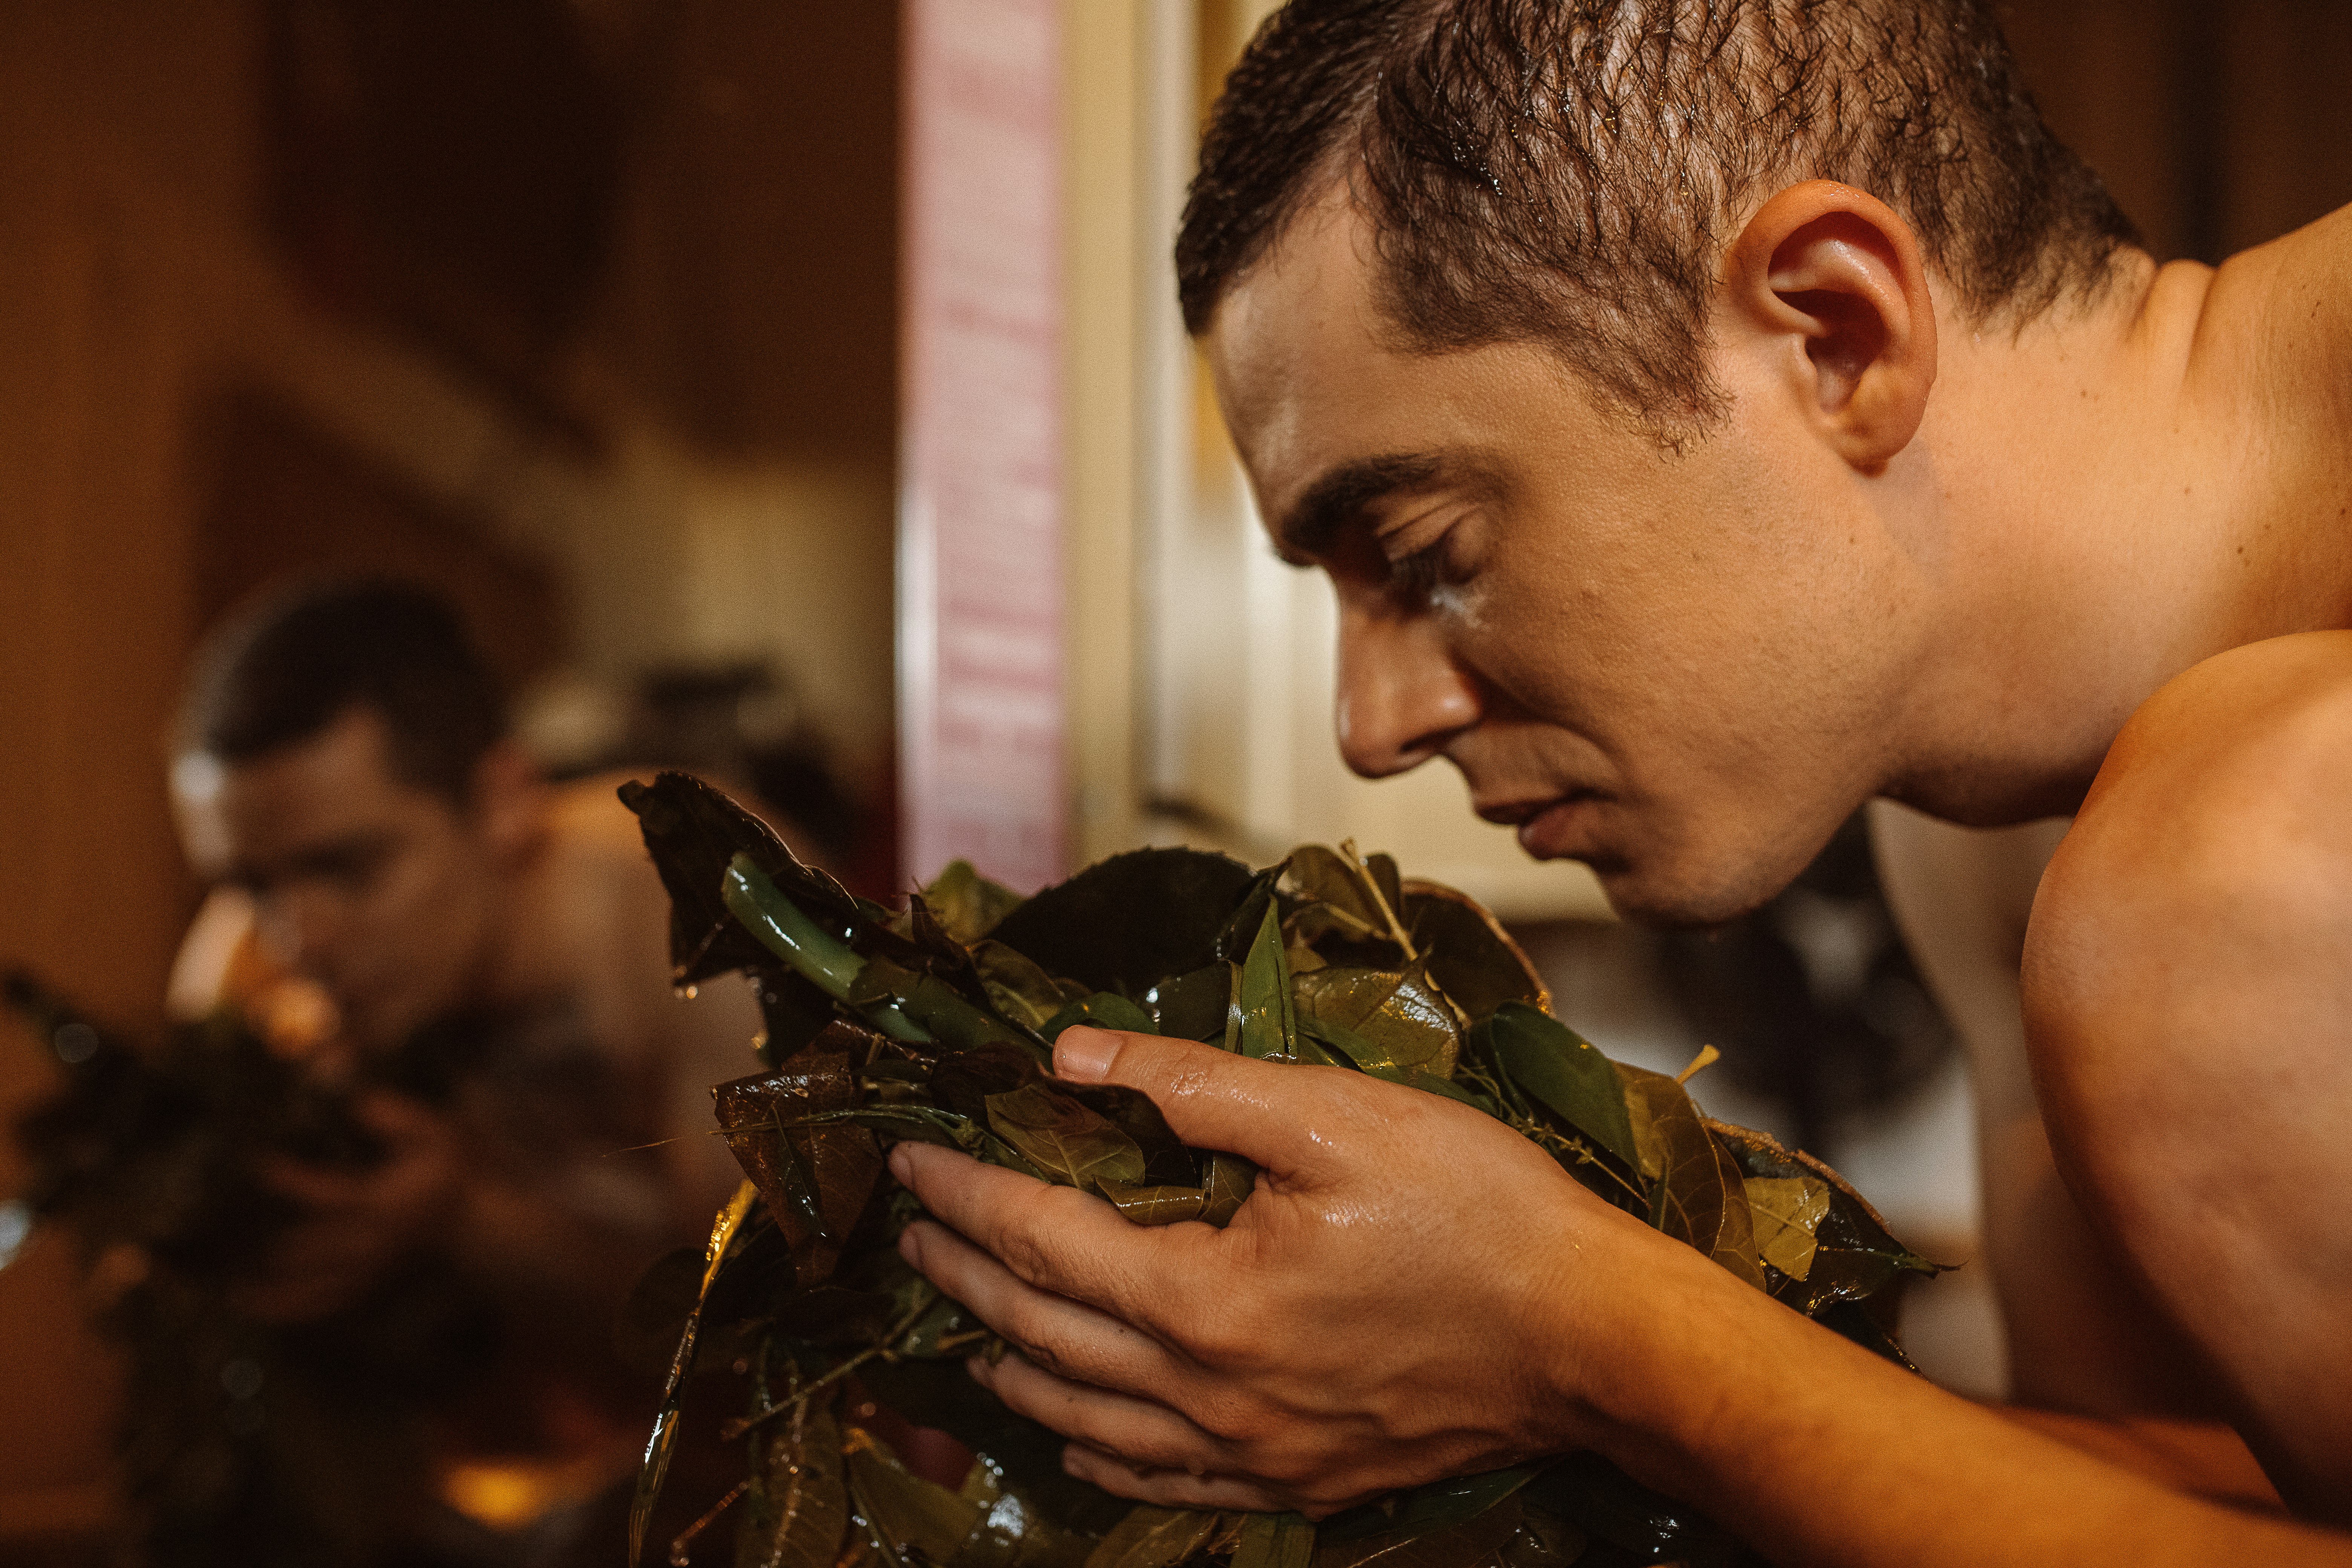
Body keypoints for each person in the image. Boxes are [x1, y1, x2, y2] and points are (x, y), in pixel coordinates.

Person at [878, 1, 2352, 1560]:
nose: (1370, 727)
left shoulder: (2216, 864)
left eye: (1428, 553)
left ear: (1833, 334)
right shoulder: (1977, 828)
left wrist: (1582, 1327)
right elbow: (2191, 1492)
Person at [162, 578, 771, 1561]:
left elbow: (786, 1359)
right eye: (247, 884)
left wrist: (464, 1218)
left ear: (501, 802)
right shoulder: (243, 983)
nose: (296, 941)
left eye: (349, 870)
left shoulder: (687, 922)